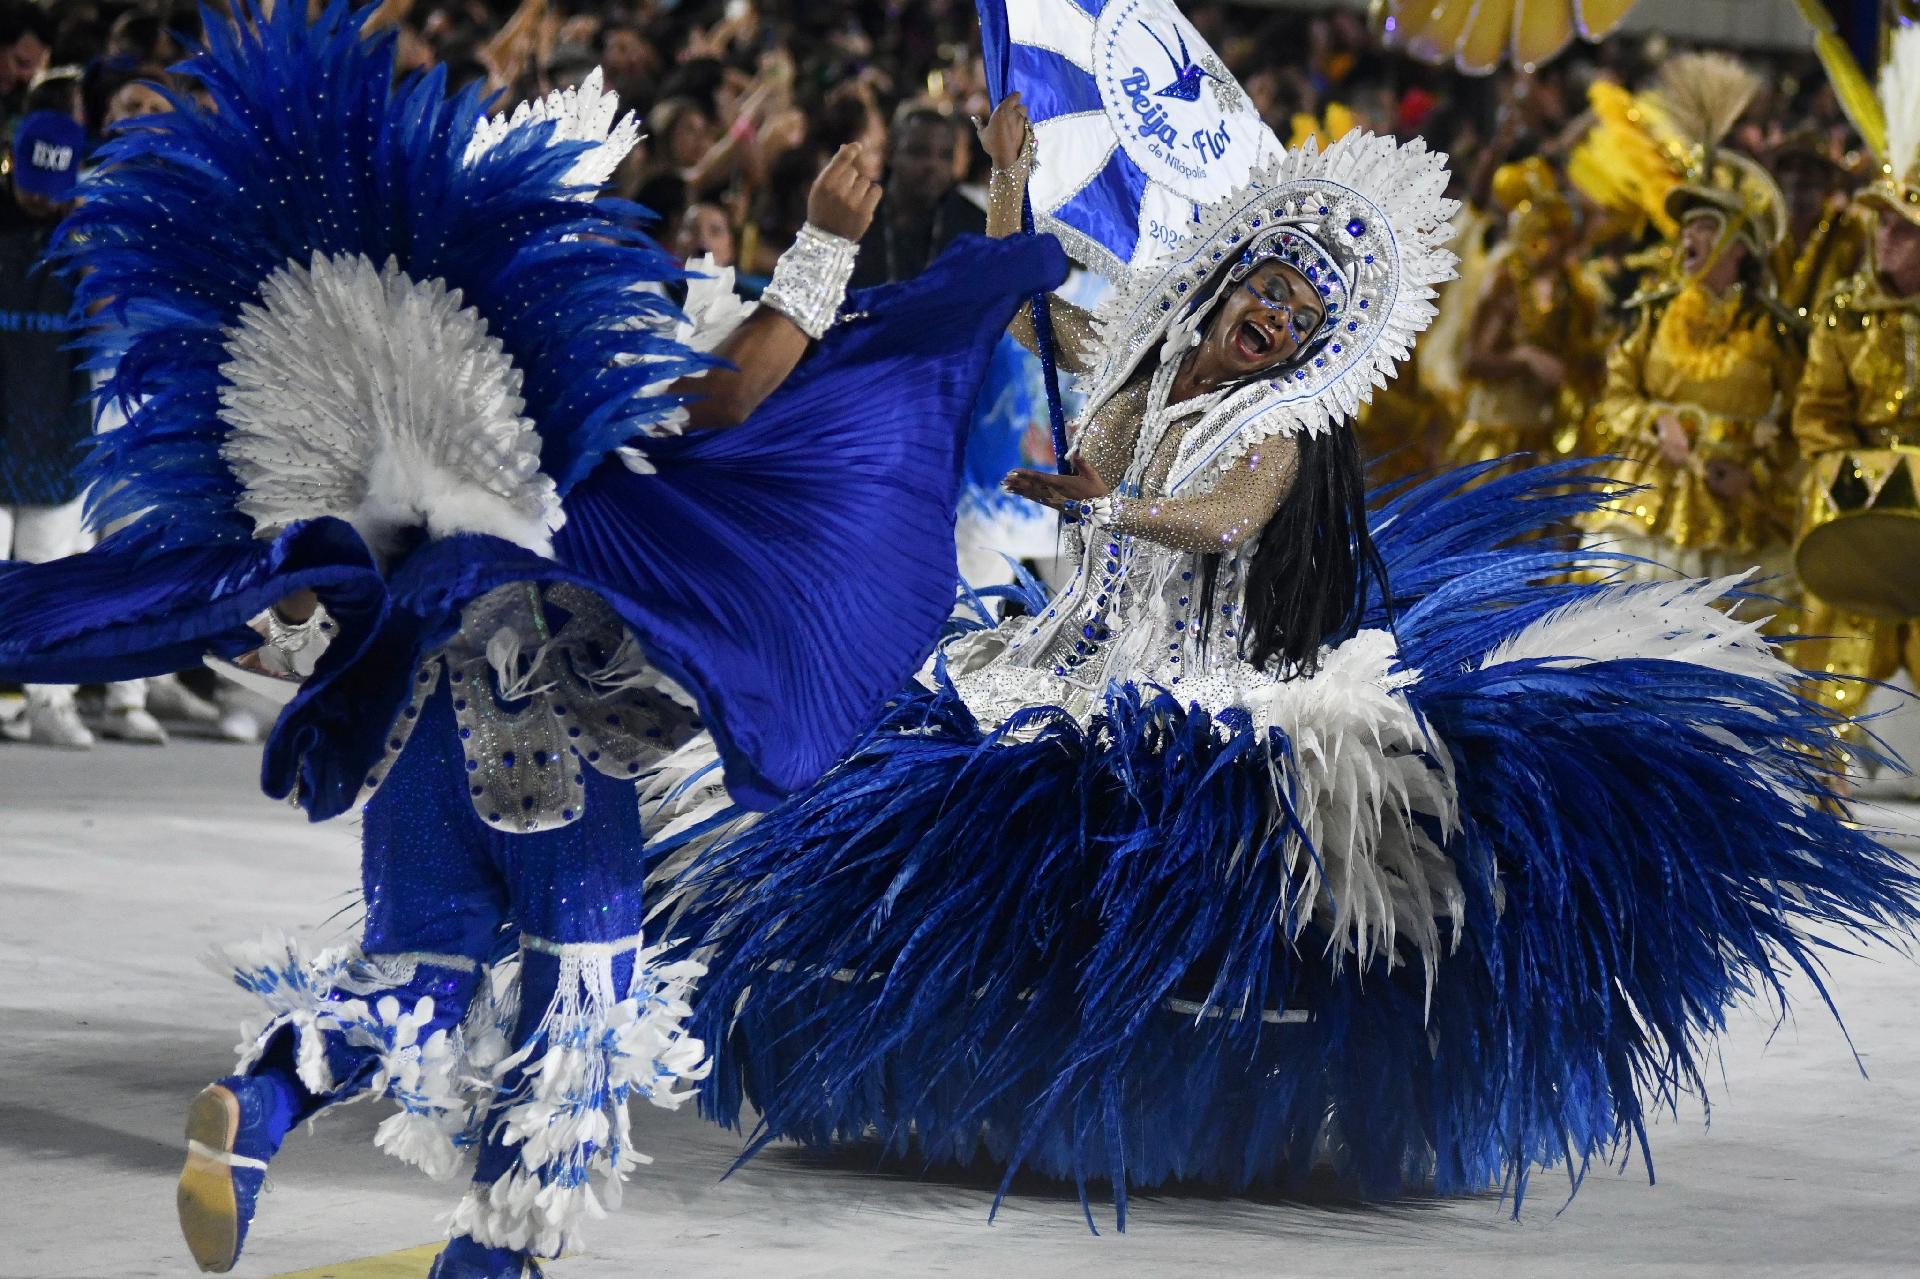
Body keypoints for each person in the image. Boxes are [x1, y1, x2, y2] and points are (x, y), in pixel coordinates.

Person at [653, 91, 1917, 1224]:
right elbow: (1032, 299)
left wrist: (1107, 507)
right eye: (1269, 293)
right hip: (1049, 651)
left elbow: (1224, 522)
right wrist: (1011, 178)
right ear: (1230, 282)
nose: (1276, 322)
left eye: (1306, 321)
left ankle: (1139, 1098)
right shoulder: (1141, 362)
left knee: (1120, 872)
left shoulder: (1280, 436)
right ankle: (934, 1069)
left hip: (1174, 685)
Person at [0, 6, 1064, 1277]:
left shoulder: (408, 408)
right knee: (586, 1006)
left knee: (419, 966)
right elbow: (734, 396)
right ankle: (489, 1265)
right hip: (551, 745)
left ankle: (271, 1098)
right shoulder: (566, 377)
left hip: (421, 727)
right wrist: (830, 245)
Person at [1577, 54, 1805, 586]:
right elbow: (1614, 397)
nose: (1689, 238)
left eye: (1706, 226)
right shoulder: (1653, 315)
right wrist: (1656, 423)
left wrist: (1756, 476)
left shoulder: (1776, 333)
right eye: (1688, 226)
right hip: (1643, 507)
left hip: (1736, 517)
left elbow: (1801, 428)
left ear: (1740, 247)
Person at [0, 94, 156, 748]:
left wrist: (100, 265)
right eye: (33, 188)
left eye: (53, 191)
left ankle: (48, 700)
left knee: (49, 582)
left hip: (58, 437)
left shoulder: (92, 242)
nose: (42, 202)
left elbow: (114, 327)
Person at [1792, 24, 1920, 725]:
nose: (1883, 238)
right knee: (1842, 646)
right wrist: (1860, 471)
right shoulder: (1844, 312)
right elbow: (1816, 415)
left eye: (1901, 229)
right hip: (1857, 504)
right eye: (1880, 225)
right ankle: (1827, 776)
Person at [1448, 156, 1605, 468]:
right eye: (1543, 234)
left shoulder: (1573, 290)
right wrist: (1524, 358)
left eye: (1558, 234)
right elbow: (1471, 361)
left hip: (1546, 440)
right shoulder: (1504, 282)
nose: (1550, 244)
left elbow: (1578, 356)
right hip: (1496, 436)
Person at [848, 106, 985, 288]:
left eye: (944, 156)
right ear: (890, 152)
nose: (932, 165)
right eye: (918, 152)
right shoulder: (854, 214)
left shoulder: (973, 226)